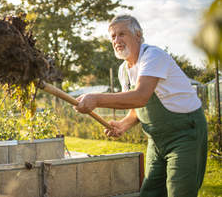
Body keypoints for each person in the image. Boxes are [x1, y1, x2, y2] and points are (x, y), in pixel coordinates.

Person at [74, 14, 208, 197]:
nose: (116, 40)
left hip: (185, 134)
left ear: (138, 35)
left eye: (122, 34)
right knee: (151, 192)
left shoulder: (153, 56)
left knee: (180, 190)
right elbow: (136, 108)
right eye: (113, 36)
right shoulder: (124, 70)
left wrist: (96, 99)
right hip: (157, 139)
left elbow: (141, 96)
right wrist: (124, 124)